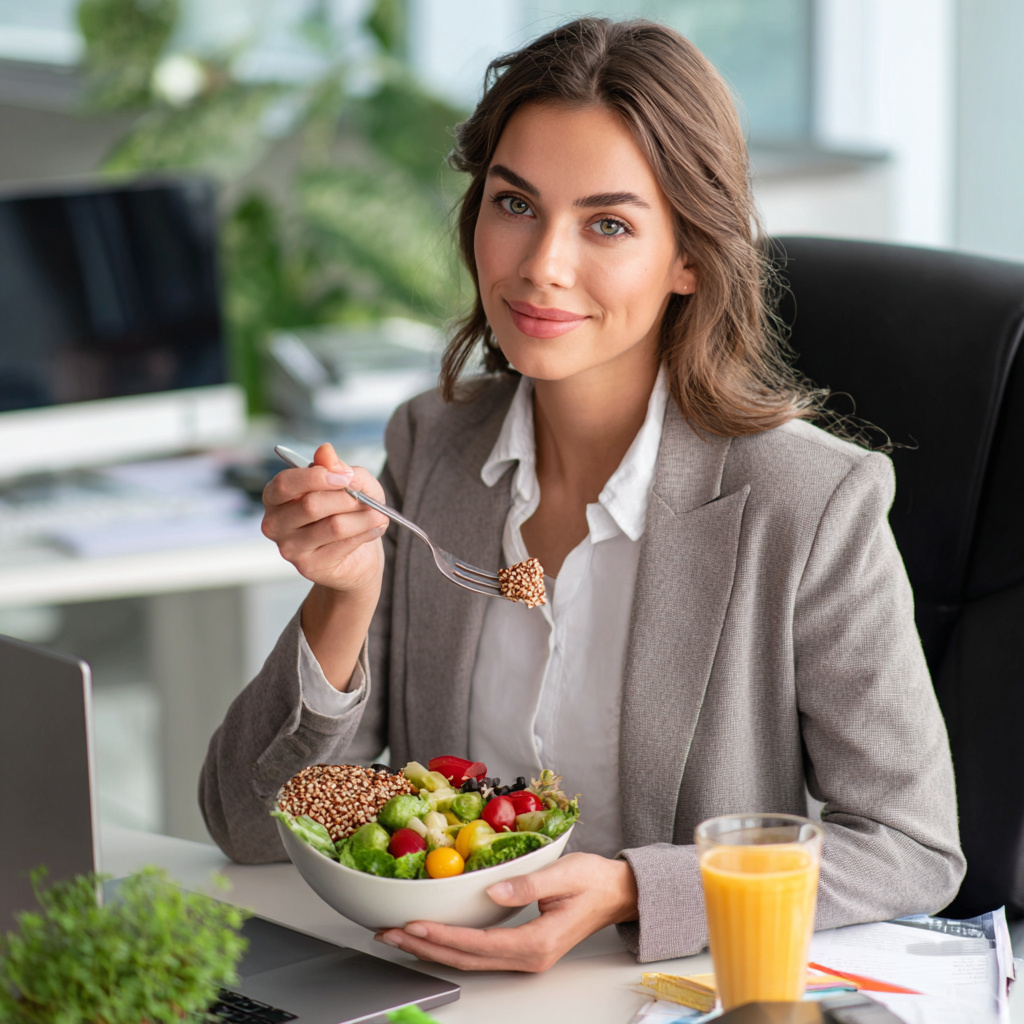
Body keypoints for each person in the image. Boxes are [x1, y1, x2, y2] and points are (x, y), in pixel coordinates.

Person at [200, 18, 964, 971]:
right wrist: (343, 597)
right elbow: (249, 824)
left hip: (654, 992)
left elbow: (911, 848)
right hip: (438, 987)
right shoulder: (430, 449)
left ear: (690, 257)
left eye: (608, 223)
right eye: (515, 204)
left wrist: (639, 888)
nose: (541, 265)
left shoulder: (809, 503)